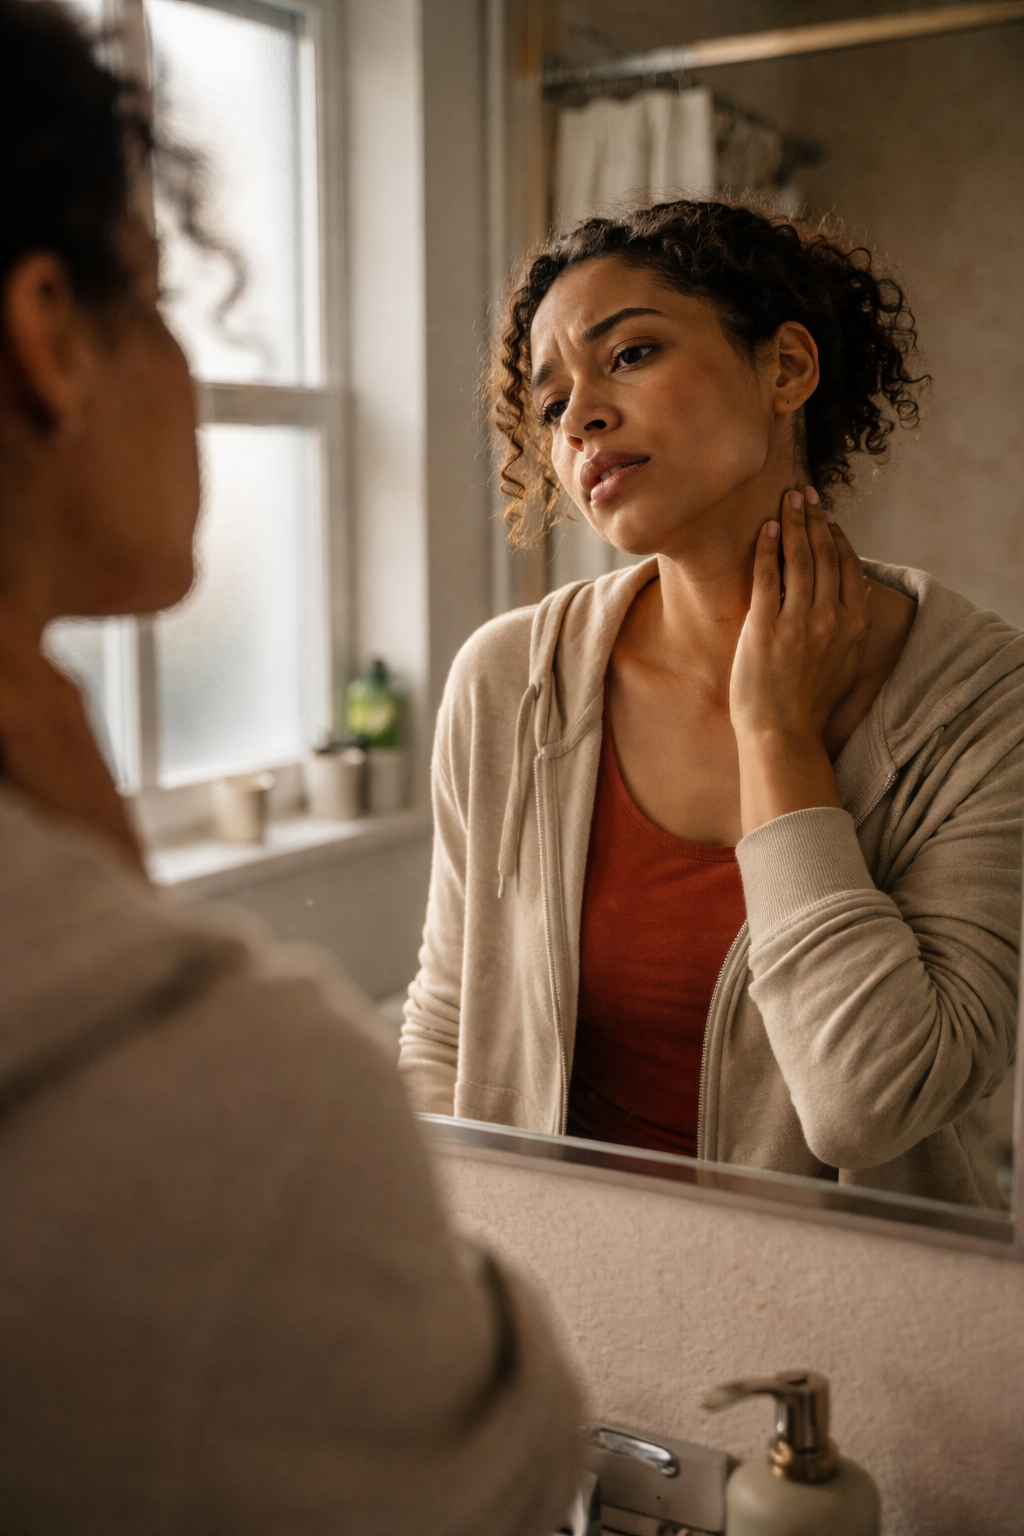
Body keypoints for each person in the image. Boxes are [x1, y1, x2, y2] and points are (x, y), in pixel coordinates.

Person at [0, 3, 581, 1530]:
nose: (587, 419)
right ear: (48, 336)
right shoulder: (246, 1101)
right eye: (160, 295)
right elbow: (506, 1474)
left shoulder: (959, 676)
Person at [400, 199, 1024, 1211]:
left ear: (786, 368)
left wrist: (777, 737)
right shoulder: (510, 681)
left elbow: (870, 1105)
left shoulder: (981, 702)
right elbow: (447, 1033)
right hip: (560, 1282)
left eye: (630, 354)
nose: (579, 418)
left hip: (848, 1299)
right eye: (550, 405)